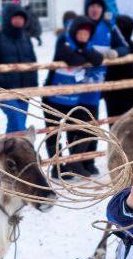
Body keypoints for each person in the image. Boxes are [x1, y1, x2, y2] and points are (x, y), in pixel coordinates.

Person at [43, 15, 105, 177]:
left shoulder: (85, 46)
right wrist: (84, 53)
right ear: (74, 32)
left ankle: (74, 162)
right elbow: (74, 59)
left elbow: (98, 60)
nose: (84, 36)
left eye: (87, 33)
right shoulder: (63, 42)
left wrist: (82, 50)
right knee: (53, 132)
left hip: (72, 98)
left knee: (84, 127)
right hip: (53, 96)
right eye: (81, 33)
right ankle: (57, 167)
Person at [0, 2, 37, 133]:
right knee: (17, 118)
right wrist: (0, 85)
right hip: (3, 90)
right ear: (8, 18)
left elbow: (32, 62)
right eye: (15, 17)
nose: (19, 20)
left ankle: (10, 152)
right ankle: (17, 150)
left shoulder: (26, 38)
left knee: (17, 125)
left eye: (21, 17)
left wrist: (33, 85)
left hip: (23, 90)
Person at [81, 0, 129, 127]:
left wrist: (116, 52)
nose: (95, 9)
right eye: (92, 6)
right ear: (87, 7)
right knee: (82, 125)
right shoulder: (80, 25)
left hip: (100, 81)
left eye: (98, 6)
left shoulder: (109, 26)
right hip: (78, 84)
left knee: (93, 125)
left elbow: (125, 47)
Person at [103, 14, 133, 118]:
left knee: (130, 122)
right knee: (116, 123)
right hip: (113, 93)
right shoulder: (111, 49)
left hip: (130, 93)